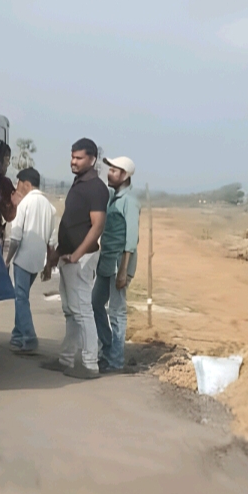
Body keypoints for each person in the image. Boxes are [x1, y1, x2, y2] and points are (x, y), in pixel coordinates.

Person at [43, 138, 109, 379]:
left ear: (92, 159)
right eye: (72, 157)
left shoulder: (96, 188)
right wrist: (57, 255)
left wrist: (77, 255)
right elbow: (72, 222)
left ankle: (90, 364)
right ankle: (67, 359)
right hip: (67, 256)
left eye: (79, 158)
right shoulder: (78, 183)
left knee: (82, 311)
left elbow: (97, 226)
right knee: (70, 311)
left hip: (81, 258)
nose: (74, 161)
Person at [92, 156, 140, 372]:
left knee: (117, 312)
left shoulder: (130, 201)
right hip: (106, 261)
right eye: (109, 170)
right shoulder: (113, 198)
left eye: (114, 171)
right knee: (95, 304)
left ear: (125, 175)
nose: (109, 174)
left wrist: (124, 271)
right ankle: (108, 348)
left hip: (120, 262)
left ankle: (116, 360)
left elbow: (131, 239)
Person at [4, 167, 57, 354]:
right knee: (22, 297)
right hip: (38, 260)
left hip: (23, 258)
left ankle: (29, 337)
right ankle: (17, 336)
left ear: (26, 184)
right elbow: (52, 241)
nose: (17, 187)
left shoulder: (25, 203)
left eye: (18, 183)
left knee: (21, 299)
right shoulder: (50, 207)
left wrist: (7, 260)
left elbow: (15, 238)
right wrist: (48, 265)